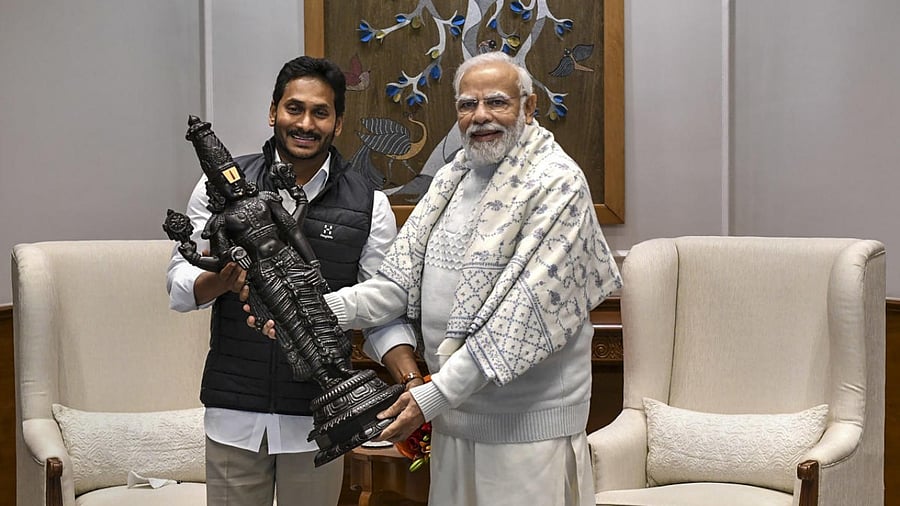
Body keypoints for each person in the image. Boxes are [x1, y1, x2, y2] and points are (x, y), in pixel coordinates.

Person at [250, 51, 622, 505]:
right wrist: (308, 310)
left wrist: (432, 397)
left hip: (528, 436)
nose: (480, 116)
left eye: (497, 102)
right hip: (454, 423)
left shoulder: (558, 184)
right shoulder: (452, 178)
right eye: (467, 104)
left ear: (528, 108)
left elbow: (518, 323)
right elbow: (394, 286)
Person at [166, 56, 418, 506]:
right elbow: (180, 285)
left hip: (322, 419)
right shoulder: (214, 192)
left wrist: (413, 380)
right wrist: (225, 279)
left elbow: (382, 311)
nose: (305, 123)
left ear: (338, 123)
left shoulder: (370, 204)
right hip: (235, 412)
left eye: (320, 112)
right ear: (273, 112)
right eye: (294, 108)